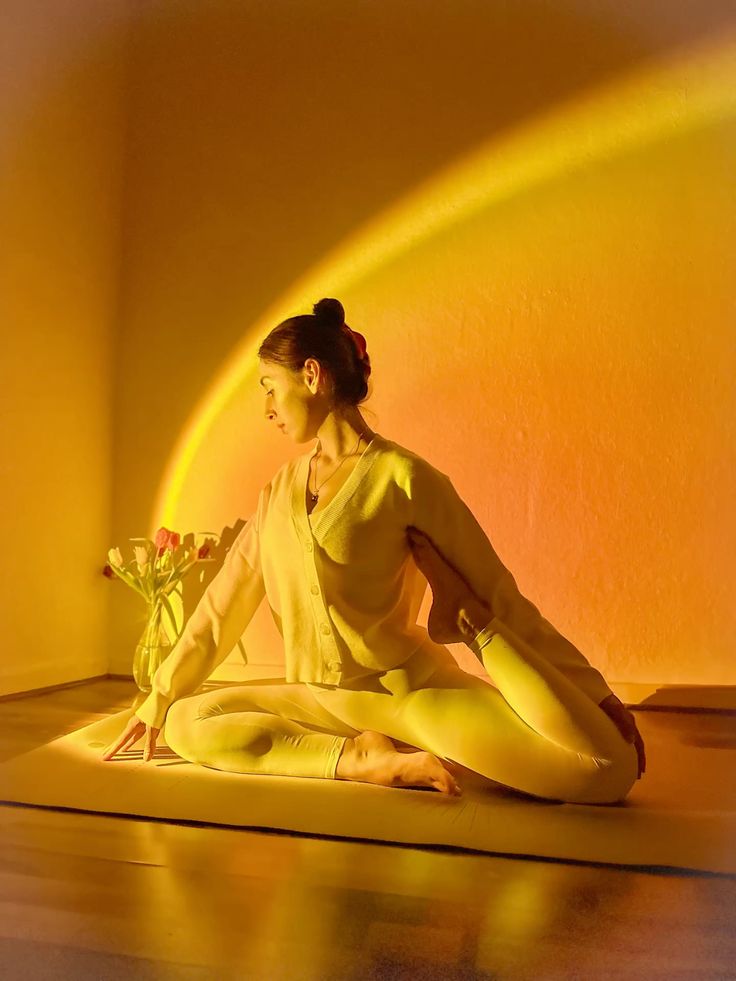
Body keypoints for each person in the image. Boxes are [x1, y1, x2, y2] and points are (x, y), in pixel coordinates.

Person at [102, 297, 646, 803]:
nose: (266, 407)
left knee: (607, 770)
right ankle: (359, 761)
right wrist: (159, 697)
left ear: (311, 375)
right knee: (185, 722)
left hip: (409, 697)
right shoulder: (277, 494)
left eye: (269, 387)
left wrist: (595, 692)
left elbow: (501, 591)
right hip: (317, 701)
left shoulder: (404, 478)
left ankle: (464, 623)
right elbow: (220, 611)